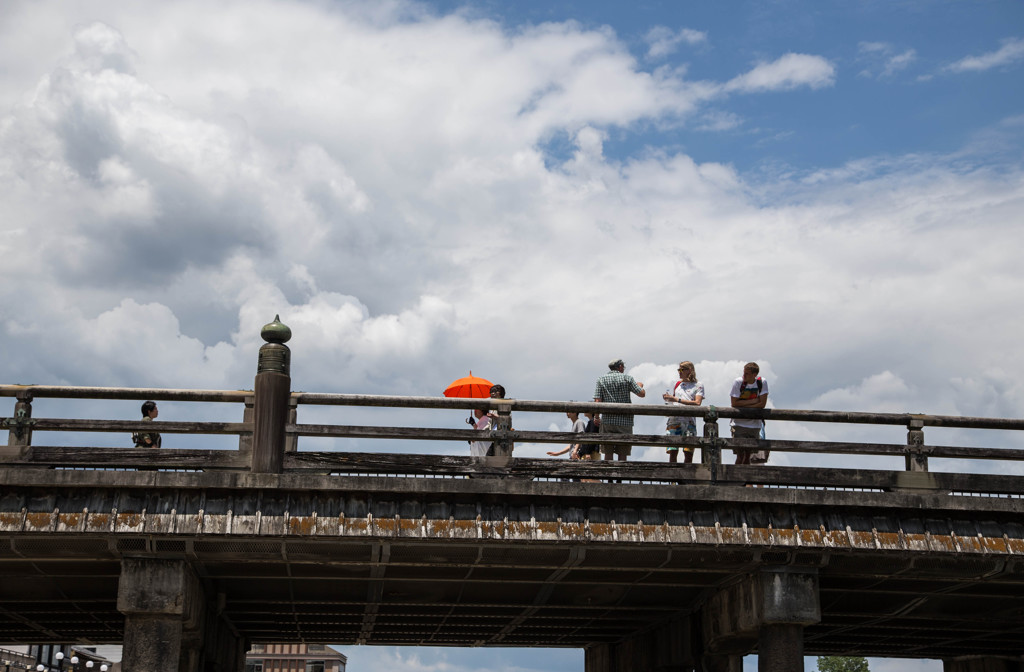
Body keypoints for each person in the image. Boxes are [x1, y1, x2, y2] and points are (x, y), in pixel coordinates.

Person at [593, 359, 645, 461]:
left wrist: (596, 417)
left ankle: (609, 476)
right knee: (623, 453)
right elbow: (642, 394)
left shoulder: (601, 379)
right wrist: (640, 385)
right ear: (620, 366)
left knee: (608, 453)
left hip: (607, 420)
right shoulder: (627, 378)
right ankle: (620, 476)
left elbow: (597, 401)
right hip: (625, 421)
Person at [662, 361, 704, 463]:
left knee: (688, 453)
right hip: (674, 421)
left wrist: (677, 400)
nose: (679, 372)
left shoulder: (698, 385)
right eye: (678, 370)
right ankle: (672, 478)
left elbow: (697, 403)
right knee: (673, 452)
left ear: (689, 370)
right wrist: (669, 401)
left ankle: (686, 478)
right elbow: (674, 400)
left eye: (681, 370)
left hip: (689, 422)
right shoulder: (677, 384)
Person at [730, 362, 769, 465]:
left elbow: (762, 404)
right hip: (738, 424)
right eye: (744, 373)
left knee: (748, 455)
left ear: (754, 375)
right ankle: (737, 479)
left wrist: (743, 405)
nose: (744, 376)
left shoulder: (762, 382)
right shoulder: (738, 382)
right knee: (740, 455)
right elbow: (734, 403)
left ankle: (746, 480)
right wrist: (754, 401)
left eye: (747, 373)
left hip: (754, 425)